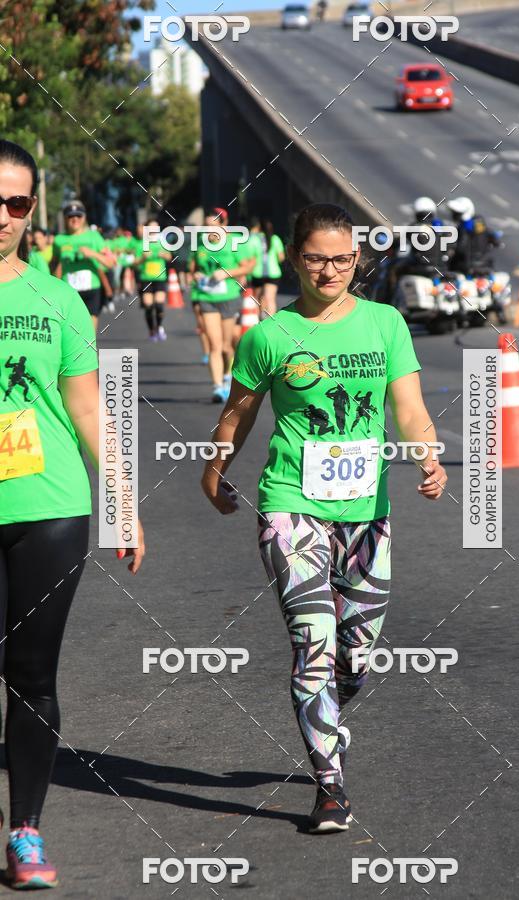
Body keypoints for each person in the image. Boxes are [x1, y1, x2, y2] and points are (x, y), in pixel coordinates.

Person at [201, 202, 447, 833]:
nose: (330, 269)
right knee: (313, 644)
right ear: (295, 259)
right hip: (291, 506)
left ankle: (330, 718)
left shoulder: (386, 323)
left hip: (368, 513)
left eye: (342, 258)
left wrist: (428, 457)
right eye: (317, 258)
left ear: (357, 260)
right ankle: (329, 786)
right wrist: (215, 467)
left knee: (354, 659)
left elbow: (410, 408)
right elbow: (239, 412)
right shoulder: (270, 336)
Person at [0, 139, 145, 889]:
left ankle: (25, 833)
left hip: (49, 505)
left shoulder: (58, 298)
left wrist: (122, 495)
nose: (1, 216)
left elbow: (87, 404)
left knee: (30, 677)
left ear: (32, 212)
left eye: (15, 203)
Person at [189, 207, 255, 403]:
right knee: (214, 345)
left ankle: (227, 376)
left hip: (229, 297)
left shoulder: (234, 242)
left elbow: (248, 266)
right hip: (206, 297)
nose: (209, 230)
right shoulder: (200, 245)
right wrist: (196, 275)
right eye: (206, 226)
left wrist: (226, 273)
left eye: (213, 226)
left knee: (227, 346)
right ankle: (217, 387)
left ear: (223, 225)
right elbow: (192, 269)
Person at [51, 200, 113, 331]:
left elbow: (110, 262)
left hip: (91, 290)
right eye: (70, 216)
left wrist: (92, 254)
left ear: (84, 218)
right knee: (70, 333)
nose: (75, 219)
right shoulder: (59, 240)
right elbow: (54, 265)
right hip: (68, 292)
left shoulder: (94, 237)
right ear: (65, 218)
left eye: (78, 216)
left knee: (89, 335)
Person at [133, 219, 171, 341]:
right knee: (149, 306)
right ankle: (151, 330)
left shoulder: (162, 242)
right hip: (146, 279)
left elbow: (170, 256)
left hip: (160, 278)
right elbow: (134, 263)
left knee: (159, 305)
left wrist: (164, 255)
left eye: (156, 227)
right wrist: (143, 258)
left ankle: (159, 327)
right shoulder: (140, 244)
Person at [249, 218, 285, 319]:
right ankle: (271, 321)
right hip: (273, 273)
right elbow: (281, 257)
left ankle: (259, 320)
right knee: (270, 299)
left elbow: (250, 258)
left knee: (257, 298)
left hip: (257, 273)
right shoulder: (275, 239)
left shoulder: (254, 239)